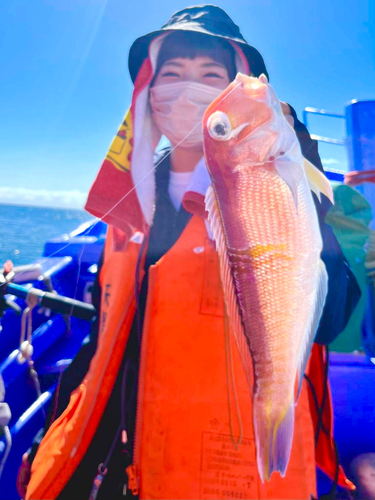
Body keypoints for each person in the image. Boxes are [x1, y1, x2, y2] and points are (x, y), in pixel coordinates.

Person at [22, 5, 360, 500]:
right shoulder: (135, 201)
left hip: (229, 471)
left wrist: (301, 180)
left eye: (209, 75)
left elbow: (334, 321)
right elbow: (106, 339)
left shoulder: (281, 177)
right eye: (172, 75)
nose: (186, 88)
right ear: (148, 94)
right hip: (125, 458)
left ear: (236, 82)